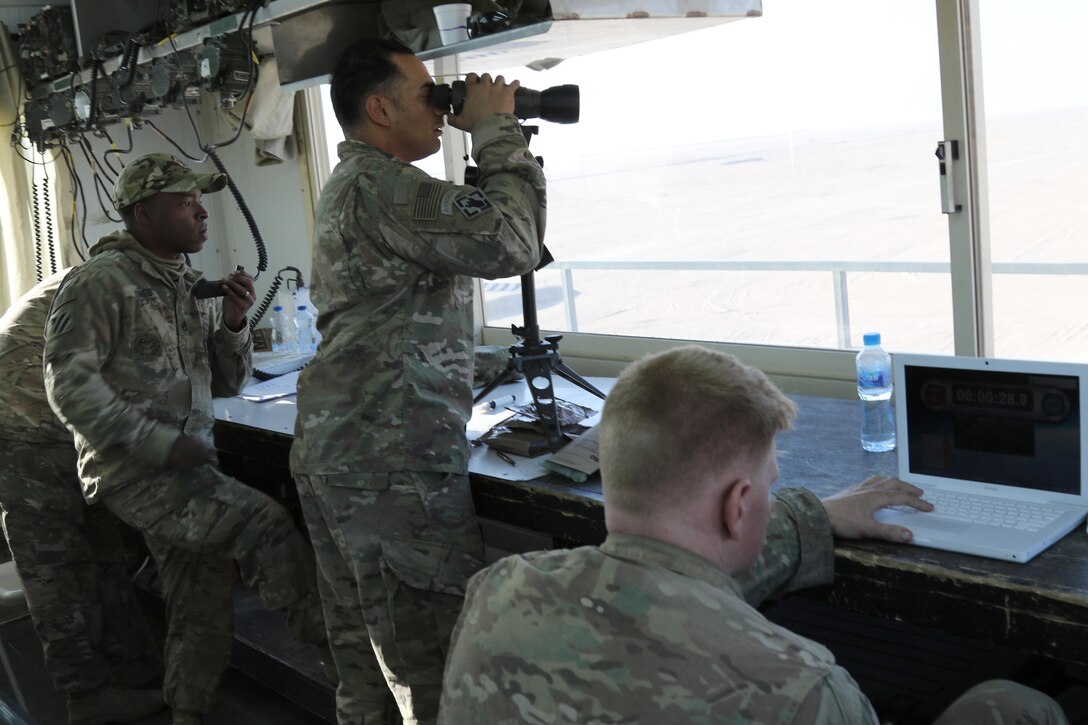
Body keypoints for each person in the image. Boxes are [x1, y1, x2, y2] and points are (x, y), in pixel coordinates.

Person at [438, 345, 1067, 724]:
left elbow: (672, 566)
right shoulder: (799, 691)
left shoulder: (496, 593)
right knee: (1013, 704)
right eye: (767, 485)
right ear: (740, 505)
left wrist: (812, 515)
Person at [289, 38, 546, 724]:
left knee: (365, 668)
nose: (441, 110)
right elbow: (509, 244)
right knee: (434, 671)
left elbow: (398, 315)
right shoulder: (383, 184)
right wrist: (495, 131)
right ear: (378, 108)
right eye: (427, 95)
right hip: (391, 465)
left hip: (344, 453)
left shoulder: (361, 187)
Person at [43, 153, 329, 725]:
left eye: (201, 201)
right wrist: (159, 443)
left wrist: (231, 321)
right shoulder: (101, 283)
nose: (201, 212)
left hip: (189, 471)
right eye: (185, 202)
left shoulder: (186, 285)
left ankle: (188, 713)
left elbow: (226, 381)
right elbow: (68, 387)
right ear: (144, 214)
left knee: (201, 599)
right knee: (266, 526)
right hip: (138, 472)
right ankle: (354, 672)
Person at [0, 268, 165, 724]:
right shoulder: (122, 283)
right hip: (24, 421)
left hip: (49, 417)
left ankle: (132, 670)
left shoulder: (106, 273)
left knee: (102, 549)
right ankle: (88, 695)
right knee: (55, 568)